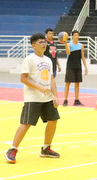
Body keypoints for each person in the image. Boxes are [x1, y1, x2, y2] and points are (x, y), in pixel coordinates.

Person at [5, 33, 61, 163]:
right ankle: (12, 149)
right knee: (26, 123)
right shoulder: (29, 59)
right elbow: (23, 78)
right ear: (33, 45)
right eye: (41, 42)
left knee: (53, 120)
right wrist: (39, 88)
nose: (44, 44)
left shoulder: (48, 60)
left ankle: (46, 148)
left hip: (47, 98)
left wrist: (55, 96)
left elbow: (52, 79)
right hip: (33, 97)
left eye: (44, 42)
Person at [62, 30, 88, 107]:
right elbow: (68, 53)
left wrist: (86, 67)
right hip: (70, 66)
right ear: (72, 36)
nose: (77, 36)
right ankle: (65, 100)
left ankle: (76, 100)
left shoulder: (81, 45)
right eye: (75, 35)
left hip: (78, 66)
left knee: (77, 84)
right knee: (68, 83)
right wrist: (65, 44)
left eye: (78, 35)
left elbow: (83, 57)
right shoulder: (69, 45)